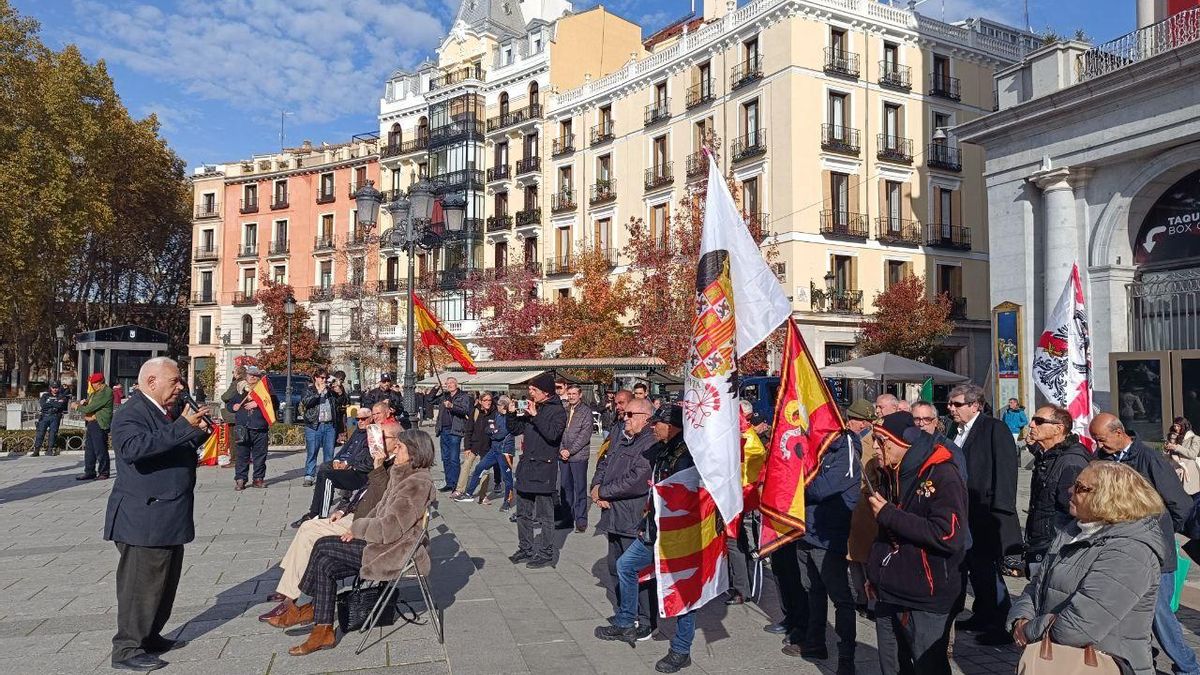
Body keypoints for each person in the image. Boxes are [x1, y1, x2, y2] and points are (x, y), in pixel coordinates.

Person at [273, 426, 436, 656]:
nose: (395, 450)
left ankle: (309, 609)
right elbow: (378, 510)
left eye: (400, 447)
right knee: (325, 564)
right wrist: (356, 527)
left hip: (393, 551)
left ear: (414, 452)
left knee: (322, 545)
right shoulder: (400, 474)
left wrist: (358, 529)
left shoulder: (417, 483)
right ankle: (323, 630)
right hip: (380, 543)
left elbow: (391, 528)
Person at [1008, 462, 1166, 675]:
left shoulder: (1130, 550)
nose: (1070, 490)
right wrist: (1019, 618)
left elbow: (1080, 625)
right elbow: (1038, 584)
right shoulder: (1074, 530)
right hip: (1057, 658)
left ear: (1110, 497)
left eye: (1081, 488)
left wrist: (1028, 630)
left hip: (1104, 664)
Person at [105, 357, 211, 672]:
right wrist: (182, 427)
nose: (181, 387)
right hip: (144, 517)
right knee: (140, 586)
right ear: (152, 381)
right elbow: (133, 449)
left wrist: (197, 433)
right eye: (175, 381)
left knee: (164, 583)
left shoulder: (165, 411)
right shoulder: (131, 413)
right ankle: (127, 648)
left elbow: (171, 448)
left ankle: (150, 637)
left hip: (169, 512)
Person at [258, 410, 397, 624]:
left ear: (396, 443)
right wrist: (345, 509)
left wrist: (373, 467)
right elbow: (365, 493)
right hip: (356, 515)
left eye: (382, 437)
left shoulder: (392, 467)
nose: (375, 440)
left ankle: (290, 598)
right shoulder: (378, 455)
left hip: (364, 525)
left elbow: (381, 500)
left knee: (311, 533)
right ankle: (289, 592)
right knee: (308, 526)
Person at [1090, 412, 1200, 675]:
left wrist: (1158, 532)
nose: (1098, 445)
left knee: (1159, 614)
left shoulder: (1148, 459)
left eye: (1102, 439)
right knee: (1128, 613)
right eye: (1095, 440)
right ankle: (1142, 661)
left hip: (1155, 552)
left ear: (1119, 433)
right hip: (1119, 550)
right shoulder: (1103, 459)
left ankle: (1188, 667)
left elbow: (1180, 504)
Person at [595, 403, 696, 673]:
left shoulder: (686, 455)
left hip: (678, 534)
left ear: (672, 426)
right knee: (625, 566)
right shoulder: (664, 449)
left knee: (683, 590)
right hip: (653, 528)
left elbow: (683, 496)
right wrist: (646, 520)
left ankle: (681, 648)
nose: (653, 427)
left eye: (658, 423)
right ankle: (626, 621)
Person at [867, 412, 968, 675]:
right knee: (892, 666)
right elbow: (885, 533)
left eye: (881, 441)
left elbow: (948, 535)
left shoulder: (943, 473)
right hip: (888, 589)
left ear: (903, 442)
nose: (875, 447)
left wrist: (890, 514)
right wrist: (874, 572)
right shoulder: (891, 472)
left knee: (928, 666)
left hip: (926, 594)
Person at [787, 398, 864, 672]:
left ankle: (847, 656)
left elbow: (821, 488)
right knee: (812, 592)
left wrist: (794, 480)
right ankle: (815, 641)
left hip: (830, 535)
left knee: (840, 596)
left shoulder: (846, 448)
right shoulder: (815, 449)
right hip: (806, 530)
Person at [946, 383, 1020, 645]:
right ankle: (982, 614)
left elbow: (1006, 469)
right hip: (963, 513)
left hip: (986, 513)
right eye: (950, 404)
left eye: (957, 404)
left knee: (989, 571)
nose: (951, 408)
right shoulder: (954, 430)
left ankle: (1001, 623)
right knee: (975, 570)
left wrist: (1001, 512)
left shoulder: (993, 428)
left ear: (975, 405)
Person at [592, 396, 658, 638]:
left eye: (631, 415)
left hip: (632, 516)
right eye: (625, 413)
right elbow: (604, 462)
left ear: (645, 418)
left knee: (637, 572)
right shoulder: (623, 437)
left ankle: (645, 620)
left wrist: (605, 491)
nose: (625, 418)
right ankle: (625, 613)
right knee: (615, 567)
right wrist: (596, 486)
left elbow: (638, 480)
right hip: (614, 515)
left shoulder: (649, 443)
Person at [507, 373, 567, 569]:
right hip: (527, 467)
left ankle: (546, 552)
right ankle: (525, 548)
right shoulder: (534, 407)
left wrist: (535, 416)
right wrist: (510, 413)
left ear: (546, 392)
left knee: (544, 515)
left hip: (544, 468)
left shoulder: (557, 411)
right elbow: (515, 429)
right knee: (523, 513)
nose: (530, 393)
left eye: (534, 390)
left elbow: (552, 435)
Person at [290, 402, 384, 528]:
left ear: (371, 418)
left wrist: (348, 464)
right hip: (347, 465)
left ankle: (323, 516)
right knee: (323, 470)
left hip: (359, 473)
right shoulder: (358, 431)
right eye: (357, 419)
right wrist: (336, 460)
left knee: (328, 477)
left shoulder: (373, 433)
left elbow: (368, 459)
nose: (360, 421)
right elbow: (345, 448)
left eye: (363, 419)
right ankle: (314, 512)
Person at [1023, 406, 1090, 577]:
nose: (1031, 425)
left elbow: (1077, 513)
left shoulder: (1071, 462)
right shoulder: (1049, 454)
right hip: (1039, 543)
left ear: (1058, 428)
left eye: (1039, 421)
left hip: (1056, 548)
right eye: (1033, 419)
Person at [843, 400, 880, 619]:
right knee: (854, 558)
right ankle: (862, 597)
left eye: (855, 420)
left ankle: (872, 601)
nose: (851, 423)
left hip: (866, 505)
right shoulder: (852, 438)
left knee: (867, 558)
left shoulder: (871, 441)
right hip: (854, 505)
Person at [461, 395, 516, 508]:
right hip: (494, 449)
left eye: (499, 405)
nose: (497, 406)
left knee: (507, 478)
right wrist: (493, 432)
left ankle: (508, 501)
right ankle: (469, 493)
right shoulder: (497, 414)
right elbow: (488, 429)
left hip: (504, 451)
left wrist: (493, 432)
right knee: (479, 467)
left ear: (504, 406)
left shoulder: (509, 418)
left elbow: (501, 433)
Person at [226, 366, 276, 490]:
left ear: (259, 377)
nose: (252, 377)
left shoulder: (265, 390)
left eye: (255, 375)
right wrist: (234, 407)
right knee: (242, 455)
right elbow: (228, 403)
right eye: (250, 375)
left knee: (260, 456)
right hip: (243, 427)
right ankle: (240, 479)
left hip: (260, 427)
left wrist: (258, 403)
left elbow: (275, 403)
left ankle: (258, 479)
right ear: (246, 376)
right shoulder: (240, 389)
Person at [560, 384, 594, 532]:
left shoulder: (586, 411)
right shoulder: (564, 410)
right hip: (563, 456)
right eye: (570, 394)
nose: (572, 396)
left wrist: (570, 450)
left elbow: (585, 435)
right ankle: (567, 518)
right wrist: (561, 449)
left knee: (579, 488)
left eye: (574, 394)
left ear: (580, 395)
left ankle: (581, 520)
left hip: (579, 456)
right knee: (565, 487)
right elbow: (559, 430)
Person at [300, 369, 339, 487]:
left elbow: (341, 401)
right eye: (321, 378)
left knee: (329, 452)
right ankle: (309, 475)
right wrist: (319, 392)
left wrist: (339, 391)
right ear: (316, 378)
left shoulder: (330, 391)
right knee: (312, 451)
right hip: (314, 425)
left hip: (329, 425)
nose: (324, 380)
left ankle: (327, 475)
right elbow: (306, 402)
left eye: (325, 378)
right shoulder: (309, 389)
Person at [453, 392, 496, 499]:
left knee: (484, 470)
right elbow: (469, 430)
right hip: (474, 445)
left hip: (488, 446)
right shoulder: (475, 411)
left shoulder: (494, 412)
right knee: (466, 466)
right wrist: (467, 447)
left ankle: (482, 494)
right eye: (485, 400)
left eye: (489, 400)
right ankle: (460, 490)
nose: (488, 402)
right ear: (480, 401)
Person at [434, 376, 471, 492]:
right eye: (447, 383)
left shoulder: (463, 396)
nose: (449, 385)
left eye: (451, 383)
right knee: (445, 458)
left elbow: (465, 410)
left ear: (456, 384)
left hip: (455, 430)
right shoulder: (444, 396)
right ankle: (449, 482)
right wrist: (435, 388)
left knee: (454, 458)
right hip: (443, 429)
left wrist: (452, 406)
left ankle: (456, 484)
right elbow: (429, 400)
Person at [76, 372, 115, 480]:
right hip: (92, 423)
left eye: (93, 383)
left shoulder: (106, 392)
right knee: (90, 449)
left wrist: (77, 407)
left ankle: (104, 472)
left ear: (99, 383)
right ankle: (89, 471)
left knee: (100, 448)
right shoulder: (95, 393)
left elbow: (89, 408)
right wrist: (84, 402)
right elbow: (89, 404)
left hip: (100, 423)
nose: (92, 385)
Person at [31, 381, 70, 456]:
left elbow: (60, 405)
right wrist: (54, 403)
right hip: (45, 416)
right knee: (40, 433)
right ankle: (36, 450)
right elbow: (43, 405)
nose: (55, 389)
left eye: (56, 388)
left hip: (55, 416)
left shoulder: (61, 396)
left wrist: (50, 403)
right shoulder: (45, 395)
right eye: (53, 388)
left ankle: (50, 450)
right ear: (50, 388)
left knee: (53, 433)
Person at [1166, 417, 1200, 494]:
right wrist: (1166, 449)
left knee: (1191, 495)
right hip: (1174, 469)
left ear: (1184, 426)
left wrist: (1176, 447)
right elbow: (1167, 456)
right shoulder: (1173, 436)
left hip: (1189, 470)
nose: (1176, 428)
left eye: (1178, 426)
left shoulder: (1194, 438)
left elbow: (1193, 454)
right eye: (1175, 426)